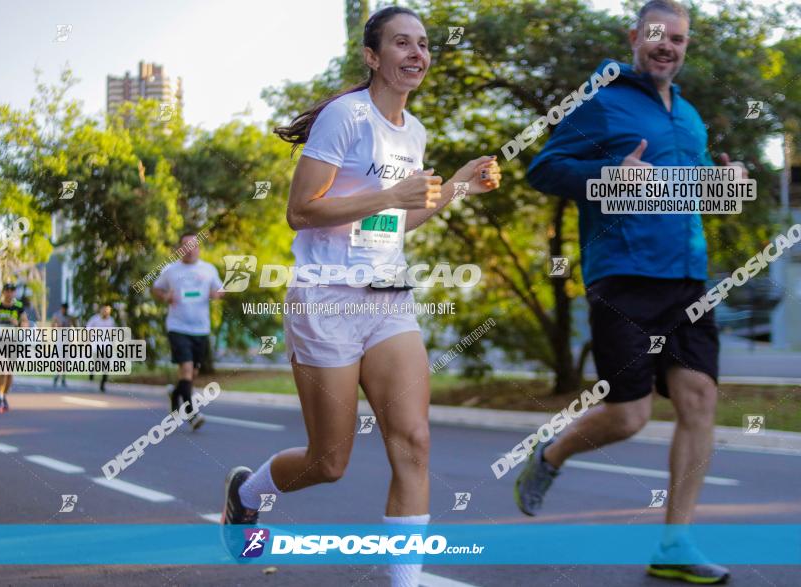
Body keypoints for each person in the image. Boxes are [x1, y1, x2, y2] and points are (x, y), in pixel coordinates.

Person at [219, 7, 500, 587]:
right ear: (374, 57)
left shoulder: (413, 132)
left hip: (388, 299)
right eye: (402, 43)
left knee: (414, 441)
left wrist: (456, 189)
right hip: (326, 302)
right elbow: (300, 212)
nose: (417, 53)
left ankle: (405, 581)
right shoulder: (346, 119)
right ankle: (247, 493)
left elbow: (399, 220)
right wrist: (387, 193)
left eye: (423, 44)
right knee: (330, 463)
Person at [517, 1, 744, 584]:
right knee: (628, 416)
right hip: (624, 276)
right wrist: (605, 177)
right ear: (636, 36)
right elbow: (542, 168)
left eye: (680, 39)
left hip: (689, 277)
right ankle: (552, 455)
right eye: (657, 35)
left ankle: (674, 543)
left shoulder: (689, 116)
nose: (668, 46)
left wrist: (723, 185)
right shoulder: (601, 97)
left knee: (699, 402)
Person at [151, 232, 224, 431]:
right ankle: (192, 413)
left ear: (199, 248)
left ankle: (175, 395)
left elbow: (220, 290)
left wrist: (217, 294)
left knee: (192, 374)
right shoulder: (170, 270)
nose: (190, 250)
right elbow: (155, 289)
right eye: (185, 246)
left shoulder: (208, 269)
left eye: (193, 246)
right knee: (186, 370)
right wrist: (166, 296)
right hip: (178, 327)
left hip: (201, 328)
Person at [0, 284, 28, 413]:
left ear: (14, 293)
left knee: (9, 373)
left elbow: (25, 323)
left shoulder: (19, 308)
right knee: (2, 369)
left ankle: (4, 396)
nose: (9, 293)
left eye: (12, 291)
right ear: (3, 292)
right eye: (7, 291)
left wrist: (19, 324)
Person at [86, 305, 116, 393]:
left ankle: (102, 384)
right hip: (96, 345)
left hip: (107, 345)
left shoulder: (111, 320)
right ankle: (92, 372)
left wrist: (113, 343)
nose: (106, 312)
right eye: (104, 310)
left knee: (106, 365)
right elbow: (88, 329)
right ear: (101, 311)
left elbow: (113, 333)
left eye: (107, 311)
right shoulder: (95, 319)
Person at [51, 303, 75, 387]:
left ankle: (63, 378)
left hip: (67, 339)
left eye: (66, 309)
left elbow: (74, 325)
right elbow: (52, 326)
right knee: (60, 359)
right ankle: (57, 376)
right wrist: (57, 326)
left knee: (65, 360)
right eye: (64, 309)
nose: (65, 311)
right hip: (60, 339)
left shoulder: (69, 316)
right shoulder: (57, 315)